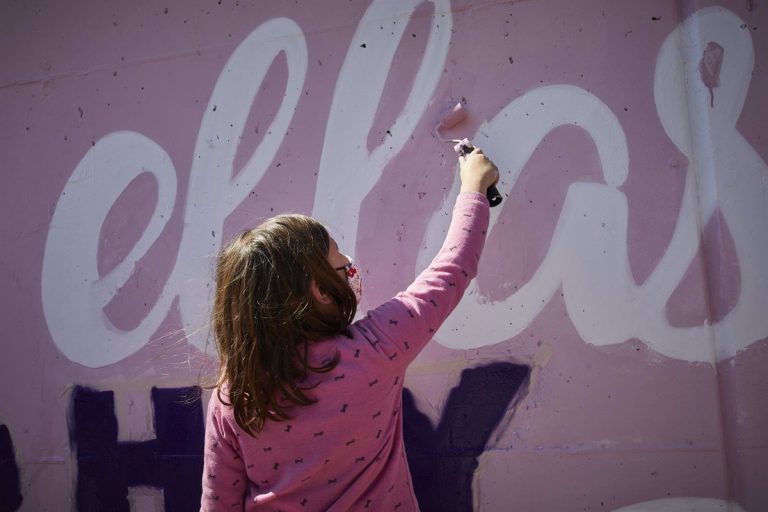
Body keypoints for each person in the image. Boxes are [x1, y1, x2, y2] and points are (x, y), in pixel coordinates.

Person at [201, 148, 499, 511]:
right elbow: (451, 270)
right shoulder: (377, 348)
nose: (347, 262)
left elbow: (218, 504)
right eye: (337, 255)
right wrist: (474, 187)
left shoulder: (235, 394)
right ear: (322, 291)